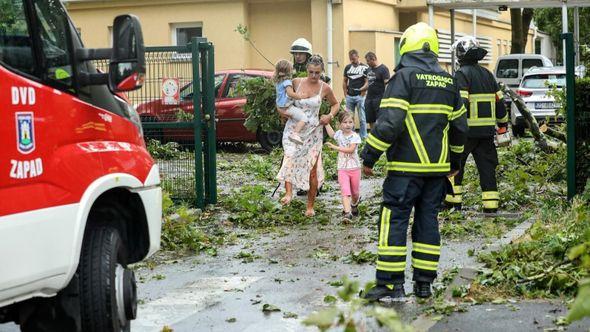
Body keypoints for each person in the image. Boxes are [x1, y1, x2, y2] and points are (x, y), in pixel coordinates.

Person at [360, 22, 468, 301]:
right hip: (436, 172)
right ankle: (424, 284)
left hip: (405, 171)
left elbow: (389, 124)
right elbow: (459, 128)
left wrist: (369, 155)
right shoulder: (449, 81)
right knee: (427, 222)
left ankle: (391, 284)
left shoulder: (403, 78)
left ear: (407, 45)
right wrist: (454, 161)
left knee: (393, 220)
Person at [444, 36, 509, 213]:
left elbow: (461, 104)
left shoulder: (461, 74)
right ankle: (491, 207)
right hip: (487, 134)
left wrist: (452, 126)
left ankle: (453, 205)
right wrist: (503, 126)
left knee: (455, 168)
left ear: (460, 55)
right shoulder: (488, 74)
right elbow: (499, 103)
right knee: (487, 170)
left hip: (465, 133)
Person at [276, 55, 340, 217]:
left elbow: (336, 104)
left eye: (317, 73)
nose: (313, 76)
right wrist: (282, 112)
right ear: (307, 70)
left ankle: (310, 206)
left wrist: (329, 116)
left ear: (322, 71)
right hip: (294, 129)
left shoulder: (324, 87)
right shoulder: (296, 82)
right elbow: (281, 99)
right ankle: (288, 194)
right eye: (311, 72)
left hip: (313, 132)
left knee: (312, 168)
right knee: (289, 158)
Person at [324, 112, 362, 221]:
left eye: (350, 122)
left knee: (355, 192)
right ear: (340, 124)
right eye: (345, 122)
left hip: (355, 168)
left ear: (354, 124)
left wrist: (335, 147)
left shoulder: (355, 136)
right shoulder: (339, 134)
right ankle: (347, 213)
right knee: (345, 191)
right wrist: (326, 124)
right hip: (342, 169)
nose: (348, 124)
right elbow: (332, 134)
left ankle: (354, 205)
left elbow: (351, 150)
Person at [274, 59, 308, 145]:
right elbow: (290, 93)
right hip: (287, 107)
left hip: (280, 106)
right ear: (288, 70)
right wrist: (301, 96)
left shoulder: (279, 81)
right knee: (304, 118)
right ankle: (295, 134)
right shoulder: (287, 82)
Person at [343, 50, 369, 139]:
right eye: (351, 59)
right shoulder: (347, 67)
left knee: (362, 118)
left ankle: (363, 136)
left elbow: (367, 82)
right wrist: (345, 94)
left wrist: (363, 93)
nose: (352, 61)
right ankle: (351, 136)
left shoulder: (365, 68)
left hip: (360, 97)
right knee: (349, 118)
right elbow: (344, 81)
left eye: (353, 59)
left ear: (358, 57)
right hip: (350, 96)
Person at [361, 52, 390, 128]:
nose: (367, 63)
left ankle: (380, 136)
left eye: (368, 61)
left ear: (373, 59)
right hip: (369, 98)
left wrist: (386, 98)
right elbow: (368, 83)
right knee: (370, 119)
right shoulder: (369, 69)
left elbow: (387, 84)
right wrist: (360, 89)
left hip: (379, 98)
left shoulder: (383, 69)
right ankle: (372, 135)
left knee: (379, 119)